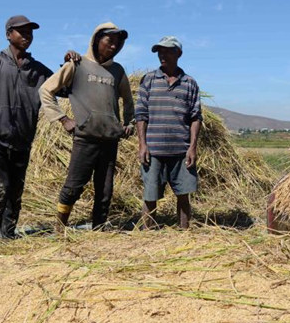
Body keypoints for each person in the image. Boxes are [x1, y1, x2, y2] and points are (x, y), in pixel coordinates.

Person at [40, 22, 135, 231]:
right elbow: (46, 90)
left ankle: (99, 229)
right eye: (109, 41)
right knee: (74, 186)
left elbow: (128, 101)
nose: (113, 46)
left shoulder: (118, 71)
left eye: (117, 43)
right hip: (85, 138)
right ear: (96, 40)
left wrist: (129, 123)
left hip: (110, 140)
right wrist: (63, 119)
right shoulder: (77, 64)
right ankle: (59, 228)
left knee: (105, 190)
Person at [0, 15, 53, 240]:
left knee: (15, 191)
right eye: (21, 31)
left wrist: (71, 64)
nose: (27, 36)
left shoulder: (37, 69)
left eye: (30, 32)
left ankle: (8, 236)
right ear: (9, 34)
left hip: (23, 141)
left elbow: (61, 87)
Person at [136, 36, 202, 229]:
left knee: (183, 195)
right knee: (150, 195)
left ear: (178, 53)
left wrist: (192, 147)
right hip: (154, 151)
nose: (162, 55)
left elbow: (196, 117)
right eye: (159, 51)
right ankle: (148, 233)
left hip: (181, 151)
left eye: (167, 51)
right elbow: (140, 114)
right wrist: (142, 145)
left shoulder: (189, 83)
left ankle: (184, 232)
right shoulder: (149, 80)